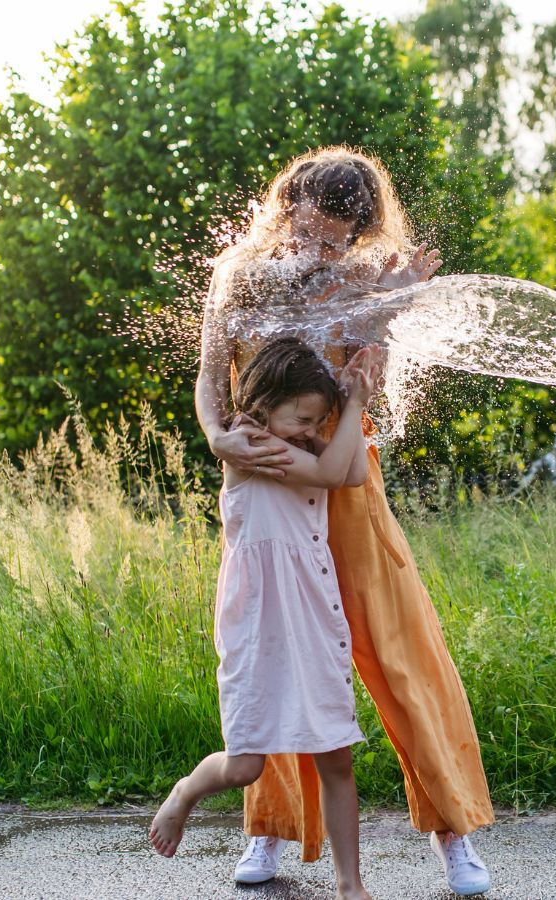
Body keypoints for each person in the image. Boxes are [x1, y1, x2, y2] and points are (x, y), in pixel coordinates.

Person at [195, 147, 495, 895]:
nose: (321, 248)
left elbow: (373, 390)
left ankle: (451, 830)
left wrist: (381, 318)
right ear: (286, 203)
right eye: (311, 229)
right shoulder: (237, 275)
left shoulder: (368, 281)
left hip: (344, 485)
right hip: (264, 483)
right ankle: (269, 830)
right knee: (273, 653)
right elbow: (209, 375)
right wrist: (215, 434)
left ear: (359, 233)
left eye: (337, 239)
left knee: (400, 652)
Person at [149, 338, 382, 899]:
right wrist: (352, 406)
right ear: (262, 404)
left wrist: (346, 407)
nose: (307, 429)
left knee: (335, 755)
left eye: (314, 421)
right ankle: (185, 793)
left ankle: (350, 884)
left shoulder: (297, 441)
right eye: (301, 417)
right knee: (245, 765)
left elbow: (350, 475)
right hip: (258, 626)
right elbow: (331, 472)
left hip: (312, 617)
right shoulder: (248, 444)